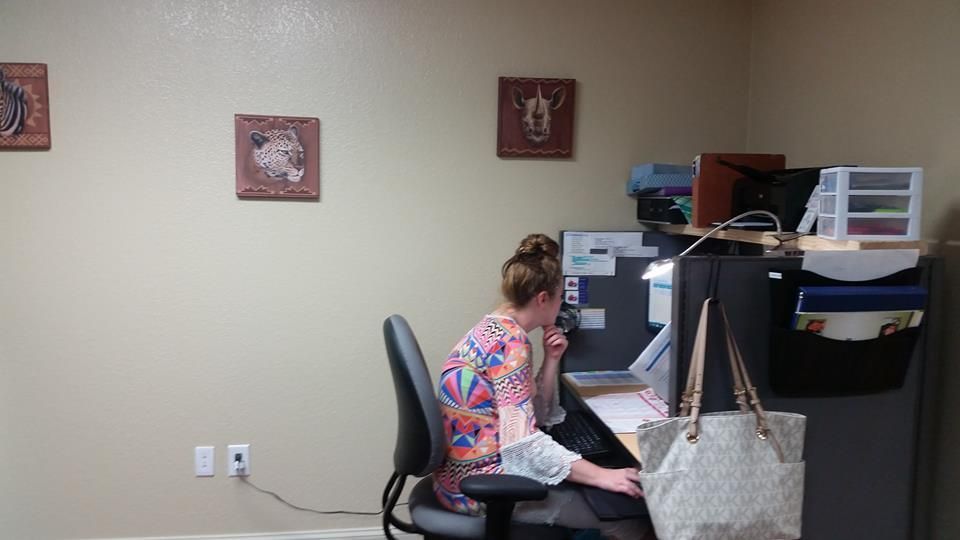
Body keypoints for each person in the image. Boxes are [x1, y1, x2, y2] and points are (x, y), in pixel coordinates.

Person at [433, 234, 651, 539]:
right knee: (631, 518)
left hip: (457, 482)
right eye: (560, 296)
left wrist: (552, 360)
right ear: (542, 299)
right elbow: (524, 444)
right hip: (486, 492)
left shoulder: (493, 328)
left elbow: (533, 416)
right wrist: (603, 476)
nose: (562, 303)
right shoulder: (511, 343)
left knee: (600, 489)